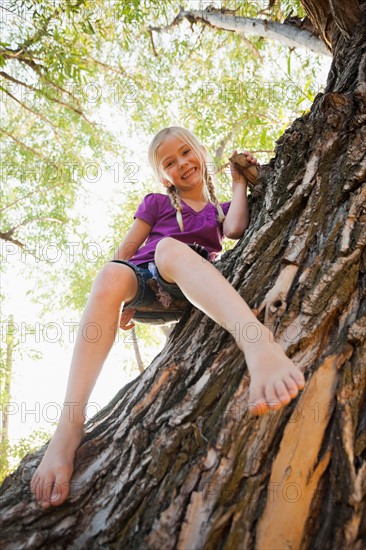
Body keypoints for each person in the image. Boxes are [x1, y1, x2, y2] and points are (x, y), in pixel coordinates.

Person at [30, 126, 305, 509]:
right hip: (144, 285)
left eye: (186, 153)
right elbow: (124, 252)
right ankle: (69, 425)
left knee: (170, 251)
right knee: (111, 273)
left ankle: (258, 345)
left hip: (186, 284)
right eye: (170, 162)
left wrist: (238, 181)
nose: (182, 164)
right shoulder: (157, 203)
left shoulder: (215, 211)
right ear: (164, 176)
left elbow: (236, 229)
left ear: (200, 153)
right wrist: (120, 300)